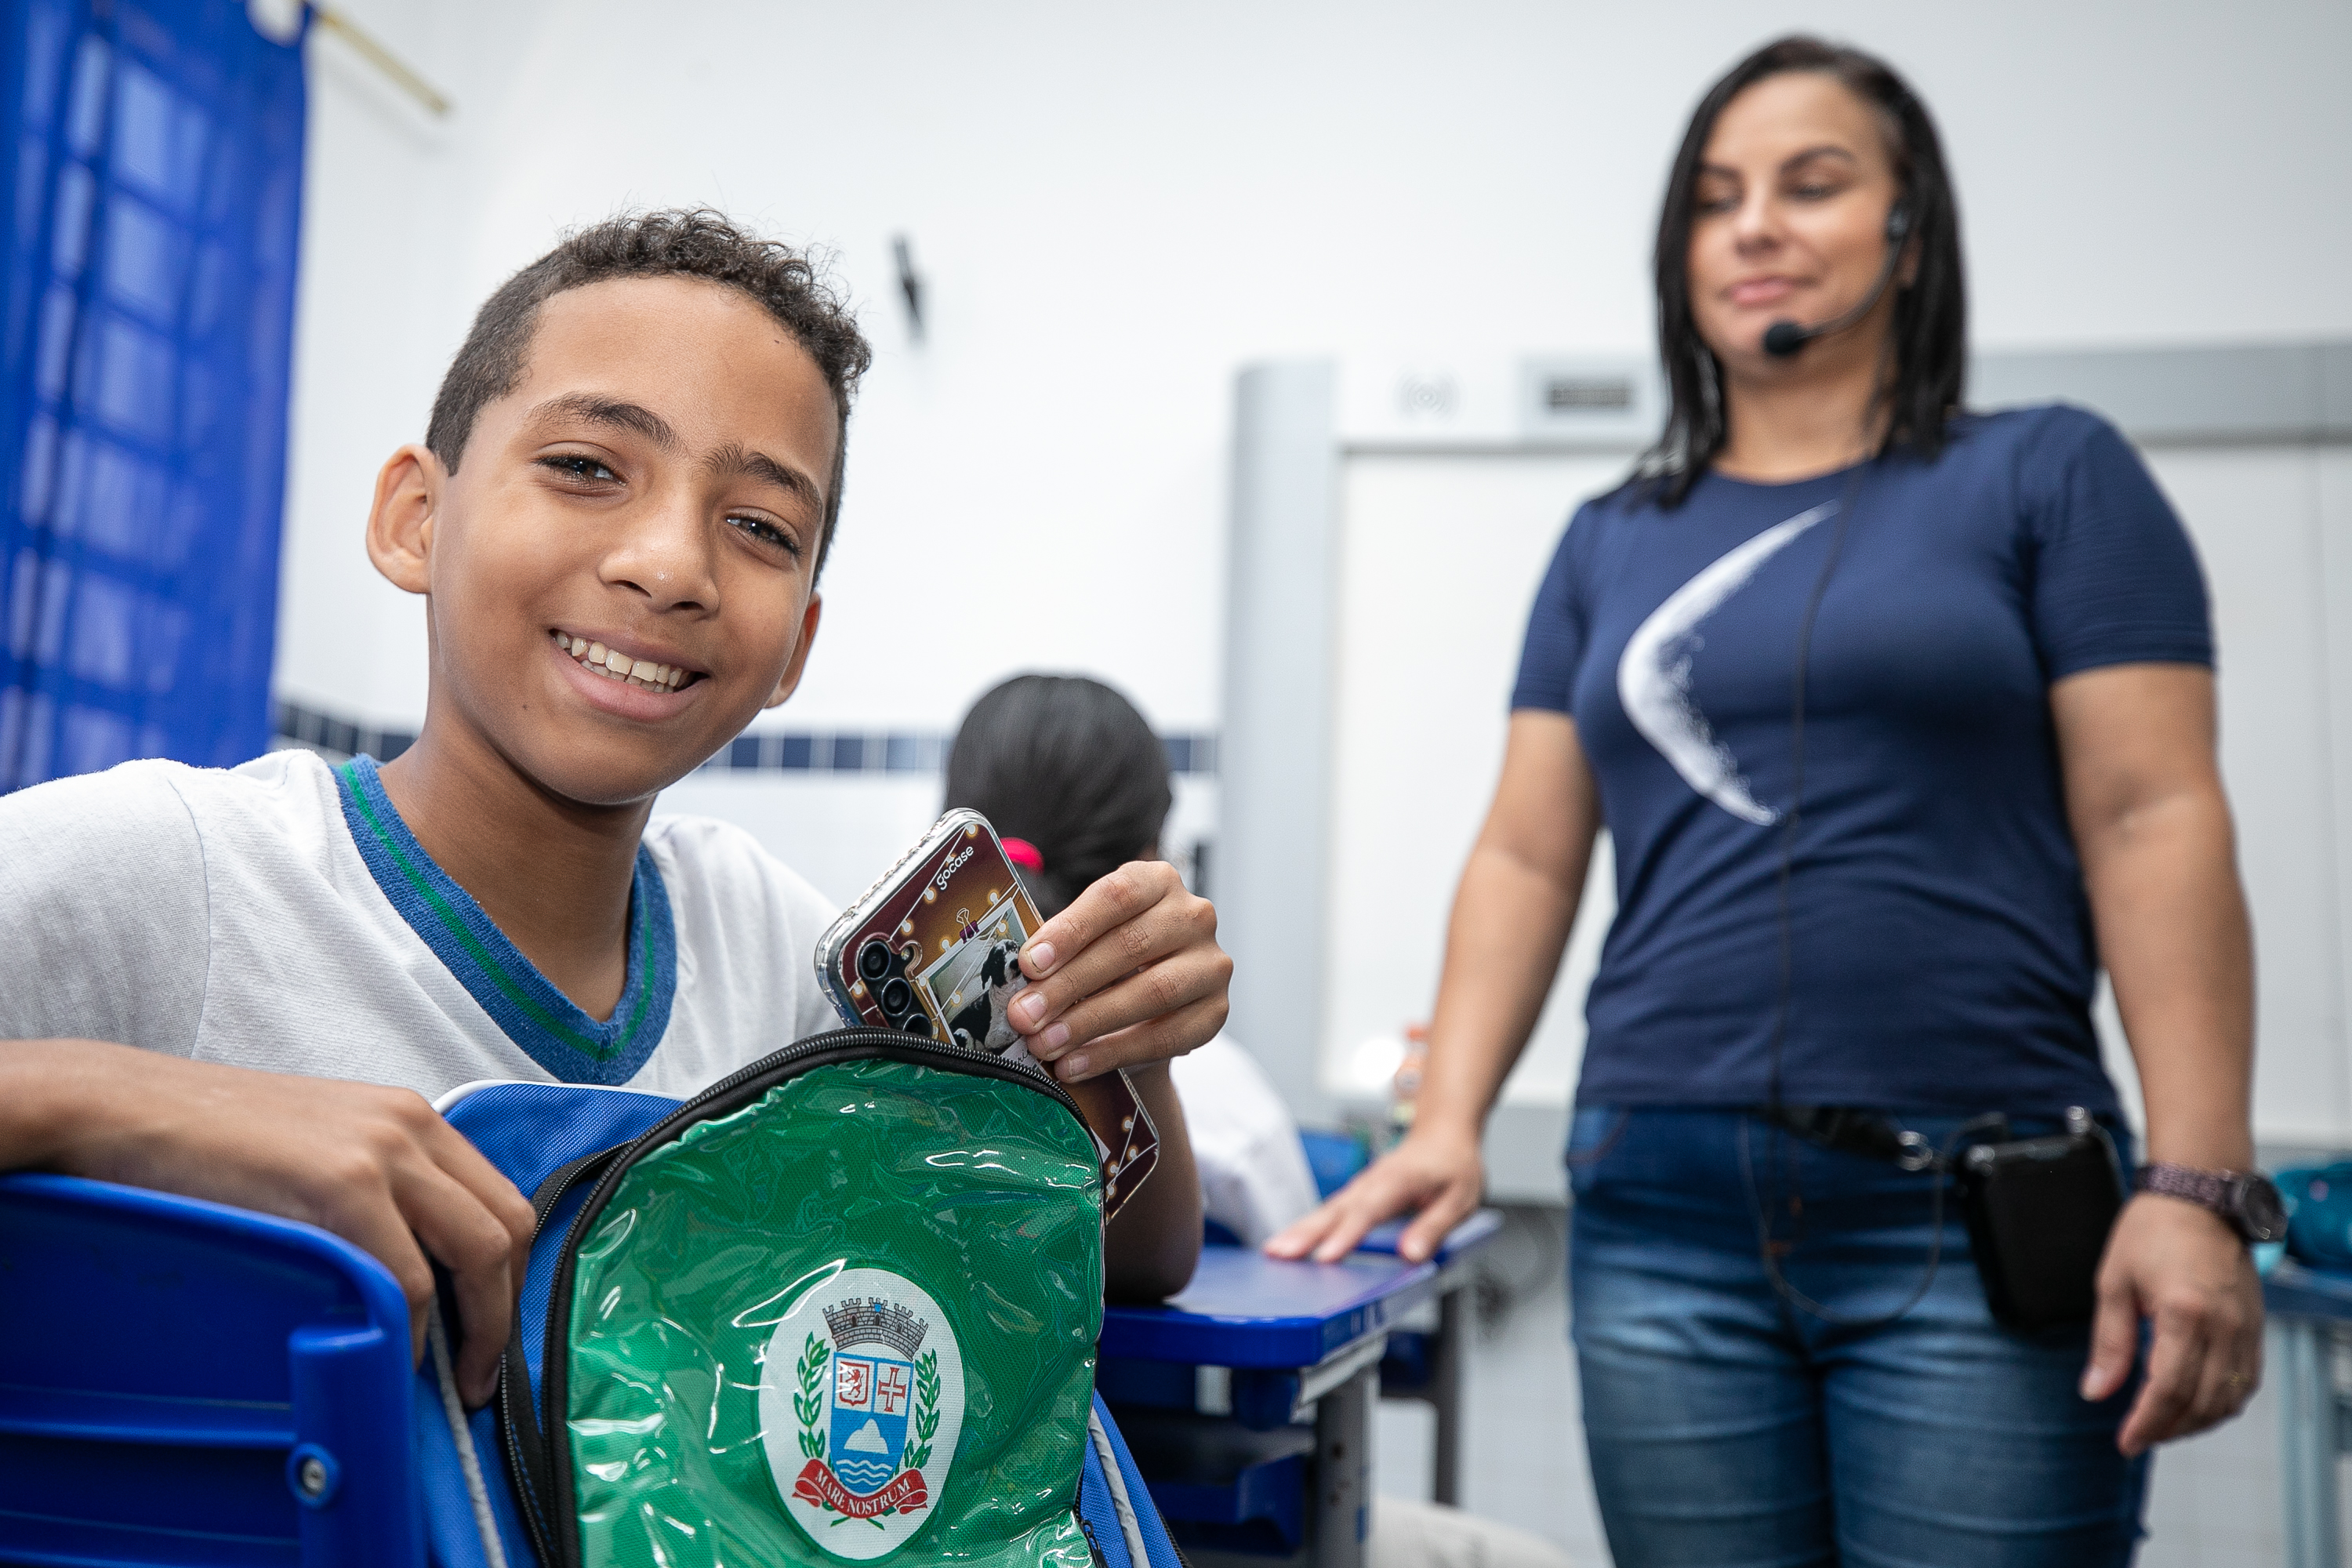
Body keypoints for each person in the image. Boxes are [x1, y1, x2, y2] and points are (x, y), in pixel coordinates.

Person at [1271, 37, 2265, 1567]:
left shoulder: (2055, 477)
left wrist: (2197, 1179)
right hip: (1659, 1206)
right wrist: (1452, 1115)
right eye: (1716, 197)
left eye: (1813, 184)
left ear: (1909, 230)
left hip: (1972, 1205)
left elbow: (2156, 818)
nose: (1755, 225)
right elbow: (1530, 853)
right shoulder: (1611, 539)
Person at [0, 210, 1232, 1406]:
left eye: (758, 525)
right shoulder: (177, 872)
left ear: (795, 647)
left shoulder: (767, 951)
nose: (671, 565)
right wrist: (117, 1100)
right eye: (588, 467)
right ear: (414, 520)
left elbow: (1135, 1260)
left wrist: (1131, 1059)